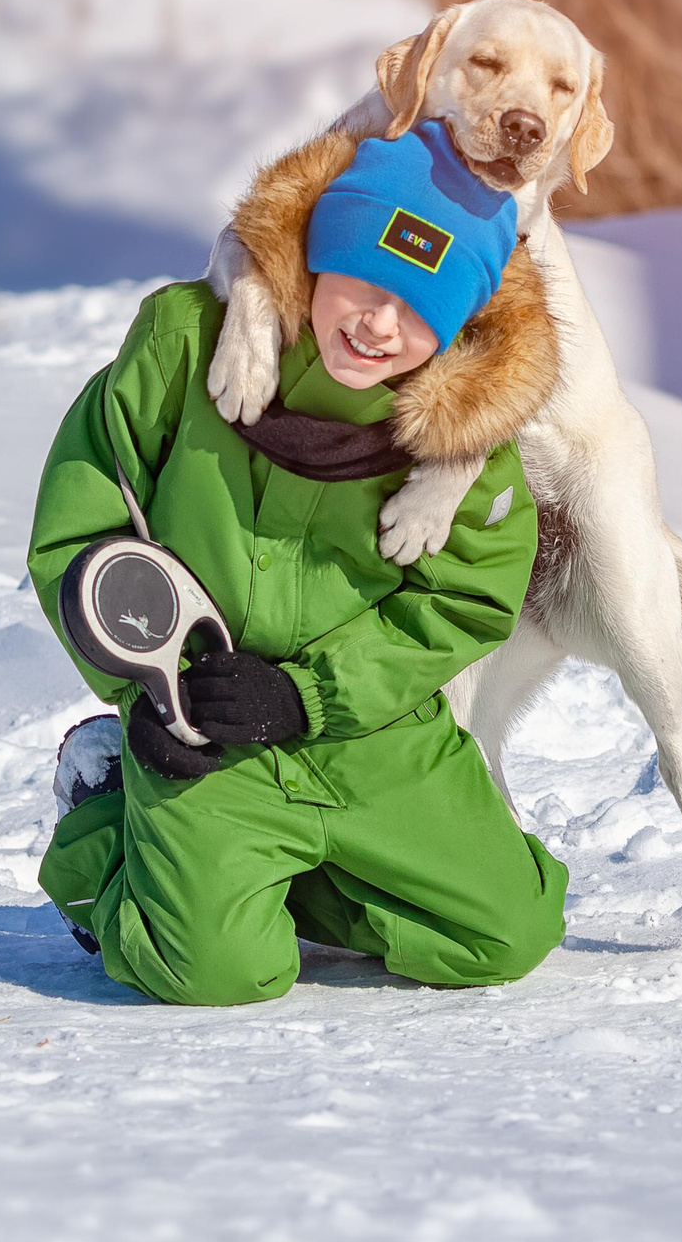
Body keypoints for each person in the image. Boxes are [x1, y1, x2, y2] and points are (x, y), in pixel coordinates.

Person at [28, 122, 566, 1005]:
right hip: (201, 722)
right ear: (318, 256)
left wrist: (309, 695)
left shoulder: (466, 447)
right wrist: (145, 693)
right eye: (364, 279)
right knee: (213, 971)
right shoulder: (185, 343)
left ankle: (288, 875)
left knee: (505, 931)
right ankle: (107, 818)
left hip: (368, 738)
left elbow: (464, 601)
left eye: (419, 306)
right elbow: (79, 527)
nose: (379, 325)